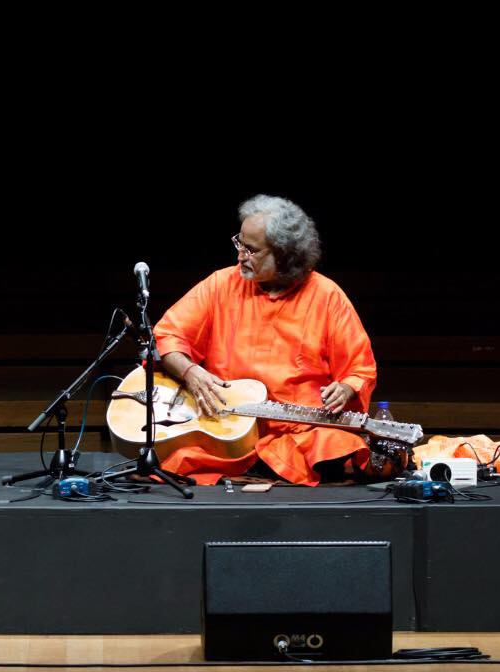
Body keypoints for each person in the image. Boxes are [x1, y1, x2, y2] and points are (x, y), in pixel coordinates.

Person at [152, 195, 380, 485]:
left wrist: (346, 389)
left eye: (251, 250)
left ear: (285, 255)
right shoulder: (221, 284)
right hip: (226, 426)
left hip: (300, 433)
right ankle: (258, 466)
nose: (240, 256)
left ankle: (266, 465)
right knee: (176, 455)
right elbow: (167, 336)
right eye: (239, 243)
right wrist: (191, 372)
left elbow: (360, 369)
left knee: (339, 446)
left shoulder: (326, 296)